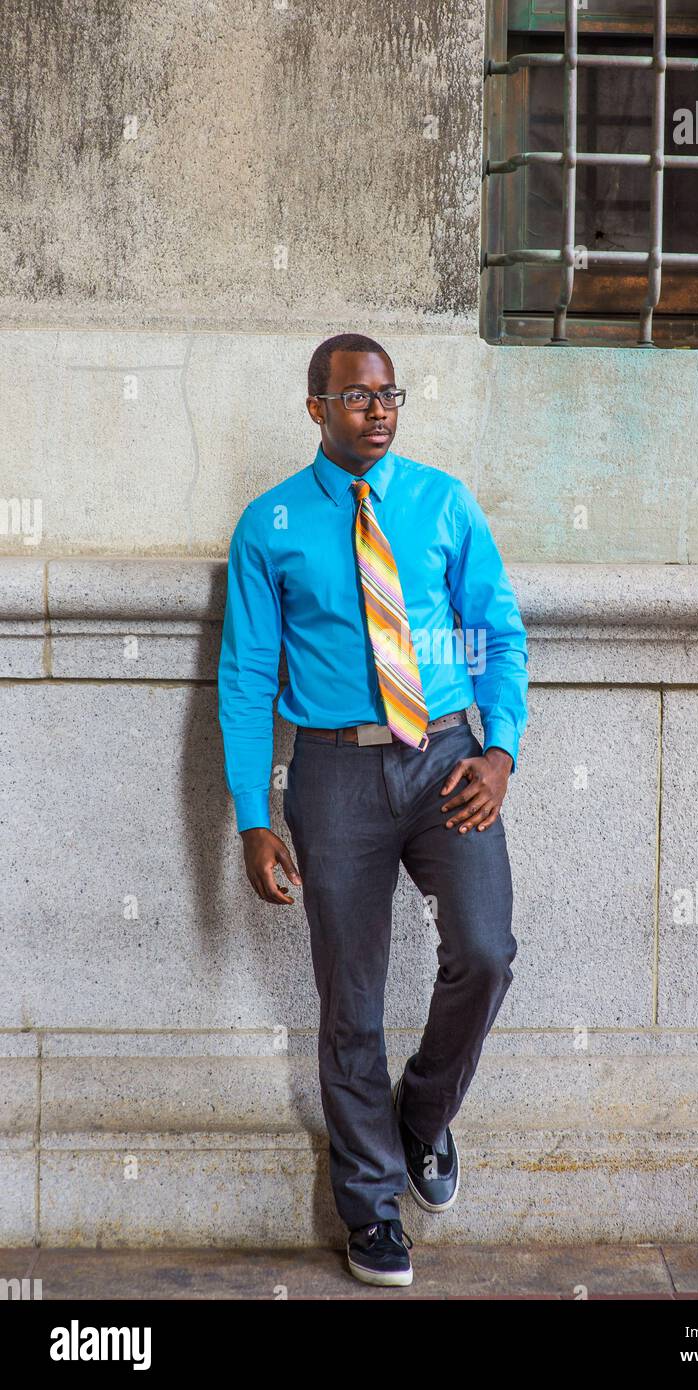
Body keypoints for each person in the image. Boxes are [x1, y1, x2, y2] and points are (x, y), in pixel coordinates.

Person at [217, 332, 529, 1287]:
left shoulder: (442, 502)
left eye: (390, 394)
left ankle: (421, 1121)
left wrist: (500, 750)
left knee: (484, 952)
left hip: (445, 760)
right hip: (332, 775)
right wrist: (251, 815)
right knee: (349, 1002)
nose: (379, 409)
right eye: (357, 397)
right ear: (317, 409)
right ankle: (370, 1207)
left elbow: (496, 631)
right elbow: (244, 676)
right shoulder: (268, 525)